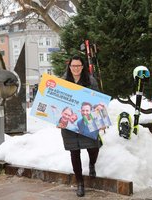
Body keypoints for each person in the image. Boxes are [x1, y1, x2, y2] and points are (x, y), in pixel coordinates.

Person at [60, 55, 102, 197]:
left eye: (78, 66)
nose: (76, 68)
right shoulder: (64, 81)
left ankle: (92, 163)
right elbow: (57, 101)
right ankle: (80, 183)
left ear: (82, 67)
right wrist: (58, 120)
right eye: (73, 66)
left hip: (87, 121)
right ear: (69, 67)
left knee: (93, 147)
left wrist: (101, 121)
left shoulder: (91, 81)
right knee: (74, 152)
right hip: (70, 124)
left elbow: (97, 101)